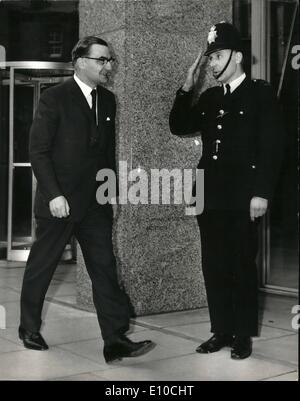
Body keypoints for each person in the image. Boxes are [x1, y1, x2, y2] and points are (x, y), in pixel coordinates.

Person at [19, 36, 155, 363]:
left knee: (105, 268)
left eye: (110, 61)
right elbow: (38, 151)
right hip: (60, 202)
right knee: (42, 267)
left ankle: (115, 340)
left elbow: (106, 153)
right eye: (102, 60)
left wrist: (110, 193)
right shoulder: (55, 99)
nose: (108, 66)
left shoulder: (108, 100)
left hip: (95, 203)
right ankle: (29, 328)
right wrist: (54, 194)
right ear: (80, 61)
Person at [169, 22, 285, 359]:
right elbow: (179, 125)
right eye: (210, 58)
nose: (212, 64)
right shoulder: (209, 97)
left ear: (238, 56)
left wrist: (261, 192)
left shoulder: (260, 94)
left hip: (243, 194)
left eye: (217, 56)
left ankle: (243, 334)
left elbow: (272, 148)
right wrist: (185, 88)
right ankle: (221, 330)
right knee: (213, 263)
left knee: (242, 263)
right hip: (207, 192)